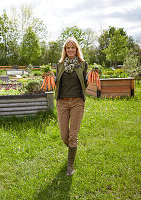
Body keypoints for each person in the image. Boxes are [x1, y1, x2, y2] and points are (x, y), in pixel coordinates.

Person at [54, 37, 88, 176]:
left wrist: (92, 76)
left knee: (73, 135)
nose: (70, 50)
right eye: (68, 48)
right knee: (64, 136)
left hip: (77, 102)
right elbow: (56, 82)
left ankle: (70, 165)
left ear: (76, 49)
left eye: (73, 47)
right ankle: (73, 149)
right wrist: (50, 78)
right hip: (62, 102)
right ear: (65, 50)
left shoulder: (82, 64)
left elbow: (85, 82)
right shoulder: (60, 65)